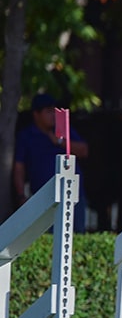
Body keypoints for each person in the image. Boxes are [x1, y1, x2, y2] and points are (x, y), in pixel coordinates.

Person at [14, 93, 89, 232]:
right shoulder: (26, 136)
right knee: (46, 237)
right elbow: (19, 167)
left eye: (54, 111)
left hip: (72, 196)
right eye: (48, 112)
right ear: (36, 114)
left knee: (77, 234)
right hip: (43, 198)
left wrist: (59, 141)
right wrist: (21, 195)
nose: (53, 115)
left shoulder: (62, 131)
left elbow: (83, 150)